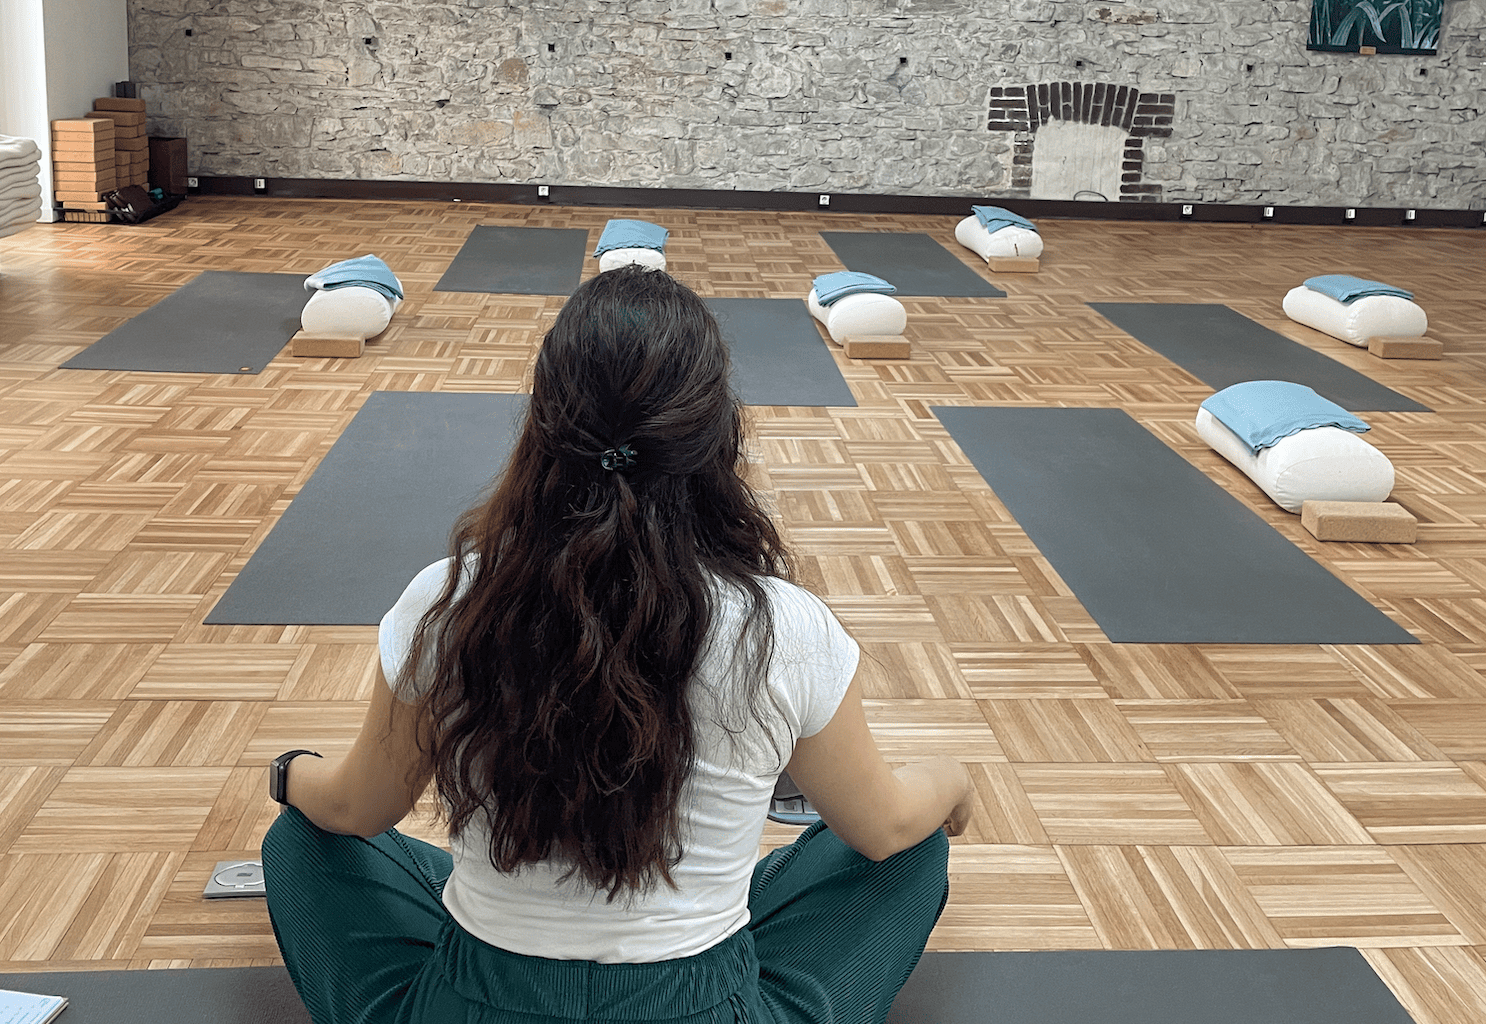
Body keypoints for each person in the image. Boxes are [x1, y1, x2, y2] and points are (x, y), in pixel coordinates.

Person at [261, 265, 974, 1024]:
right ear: (716, 434)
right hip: (706, 1006)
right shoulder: (784, 626)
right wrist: (952, 780)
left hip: (474, 1002)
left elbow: (354, 808)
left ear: (543, 427)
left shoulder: (450, 599)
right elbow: (885, 827)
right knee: (912, 849)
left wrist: (288, 773)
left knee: (301, 843)